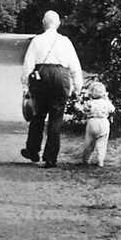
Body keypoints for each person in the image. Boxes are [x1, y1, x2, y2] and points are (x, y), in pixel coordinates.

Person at [20, 10, 83, 168]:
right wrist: (78, 86)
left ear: (43, 23)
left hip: (41, 76)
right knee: (56, 118)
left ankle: (33, 150)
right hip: (61, 77)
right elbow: (75, 65)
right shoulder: (65, 41)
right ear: (59, 24)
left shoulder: (37, 40)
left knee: (38, 115)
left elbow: (28, 64)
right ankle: (50, 158)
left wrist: (25, 86)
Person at [76, 81, 115, 167]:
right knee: (102, 143)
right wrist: (107, 99)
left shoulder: (90, 103)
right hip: (104, 122)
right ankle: (100, 161)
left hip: (92, 122)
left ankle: (85, 160)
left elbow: (84, 110)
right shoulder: (106, 102)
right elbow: (112, 109)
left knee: (89, 143)